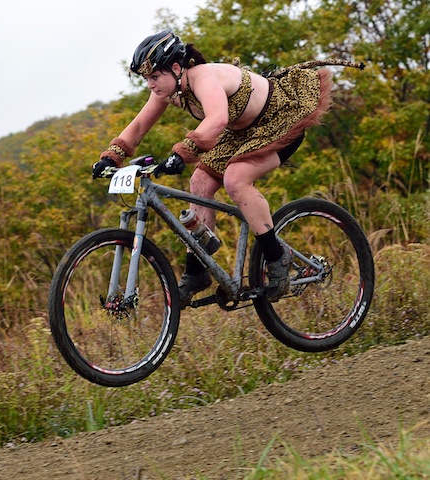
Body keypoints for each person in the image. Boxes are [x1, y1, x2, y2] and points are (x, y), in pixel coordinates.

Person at [92, 29, 362, 306]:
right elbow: (138, 126)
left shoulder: (204, 78)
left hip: (279, 118)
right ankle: (197, 270)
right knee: (199, 183)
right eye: (146, 78)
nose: (150, 84)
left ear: (176, 68)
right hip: (241, 132)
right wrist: (112, 156)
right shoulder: (169, 89)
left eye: (154, 76)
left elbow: (218, 120)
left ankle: (277, 255)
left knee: (235, 179)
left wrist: (183, 153)